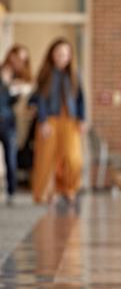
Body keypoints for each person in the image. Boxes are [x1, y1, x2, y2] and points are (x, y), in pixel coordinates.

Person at [29, 39, 86, 206]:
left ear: (69, 56)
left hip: (70, 120)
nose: (62, 57)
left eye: (65, 54)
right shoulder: (45, 74)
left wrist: (82, 119)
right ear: (52, 55)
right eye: (58, 53)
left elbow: (81, 98)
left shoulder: (75, 74)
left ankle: (69, 189)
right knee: (46, 158)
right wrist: (43, 121)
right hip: (49, 120)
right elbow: (39, 100)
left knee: (73, 158)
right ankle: (44, 192)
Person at [0, 45, 34, 203]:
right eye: (18, 57)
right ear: (11, 55)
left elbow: (12, 103)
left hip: (7, 121)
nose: (19, 61)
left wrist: (18, 91)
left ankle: (11, 192)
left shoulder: (18, 78)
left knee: (10, 156)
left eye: (23, 59)